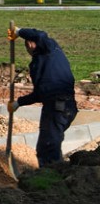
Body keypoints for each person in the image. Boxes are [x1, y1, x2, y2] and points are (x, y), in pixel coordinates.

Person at [14, 26, 79, 167]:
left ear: (30, 44)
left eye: (27, 47)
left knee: (48, 148)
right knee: (49, 144)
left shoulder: (50, 48)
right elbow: (40, 93)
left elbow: (41, 35)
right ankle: (54, 175)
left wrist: (19, 32)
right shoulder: (38, 64)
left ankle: (52, 180)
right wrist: (19, 103)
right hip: (61, 107)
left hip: (58, 106)